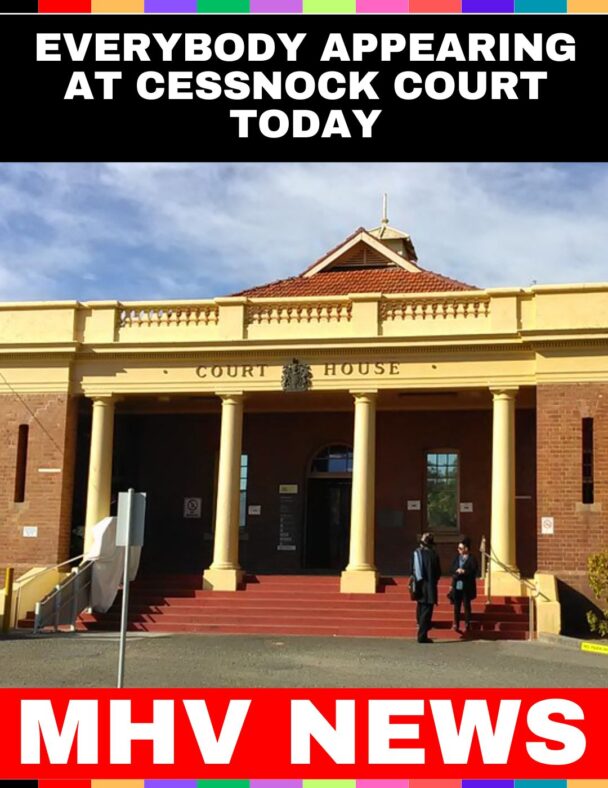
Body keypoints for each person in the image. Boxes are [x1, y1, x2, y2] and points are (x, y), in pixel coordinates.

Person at [411, 532, 441, 643]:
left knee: (420, 607)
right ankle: (422, 636)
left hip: (419, 585)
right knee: (426, 612)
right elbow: (438, 573)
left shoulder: (417, 554)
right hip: (430, 586)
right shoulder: (434, 555)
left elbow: (412, 569)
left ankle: (420, 629)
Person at [449, 536, 479, 632]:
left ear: (466, 548)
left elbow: (474, 571)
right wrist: (456, 570)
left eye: (461, 548)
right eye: (458, 548)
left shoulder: (472, 559)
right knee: (456, 605)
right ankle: (456, 623)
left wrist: (464, 571)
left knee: (466, 604)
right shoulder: (457, 558)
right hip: (457, 584)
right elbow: (451, 569)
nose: (459, 550)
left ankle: (467, 622)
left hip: (467, 585)